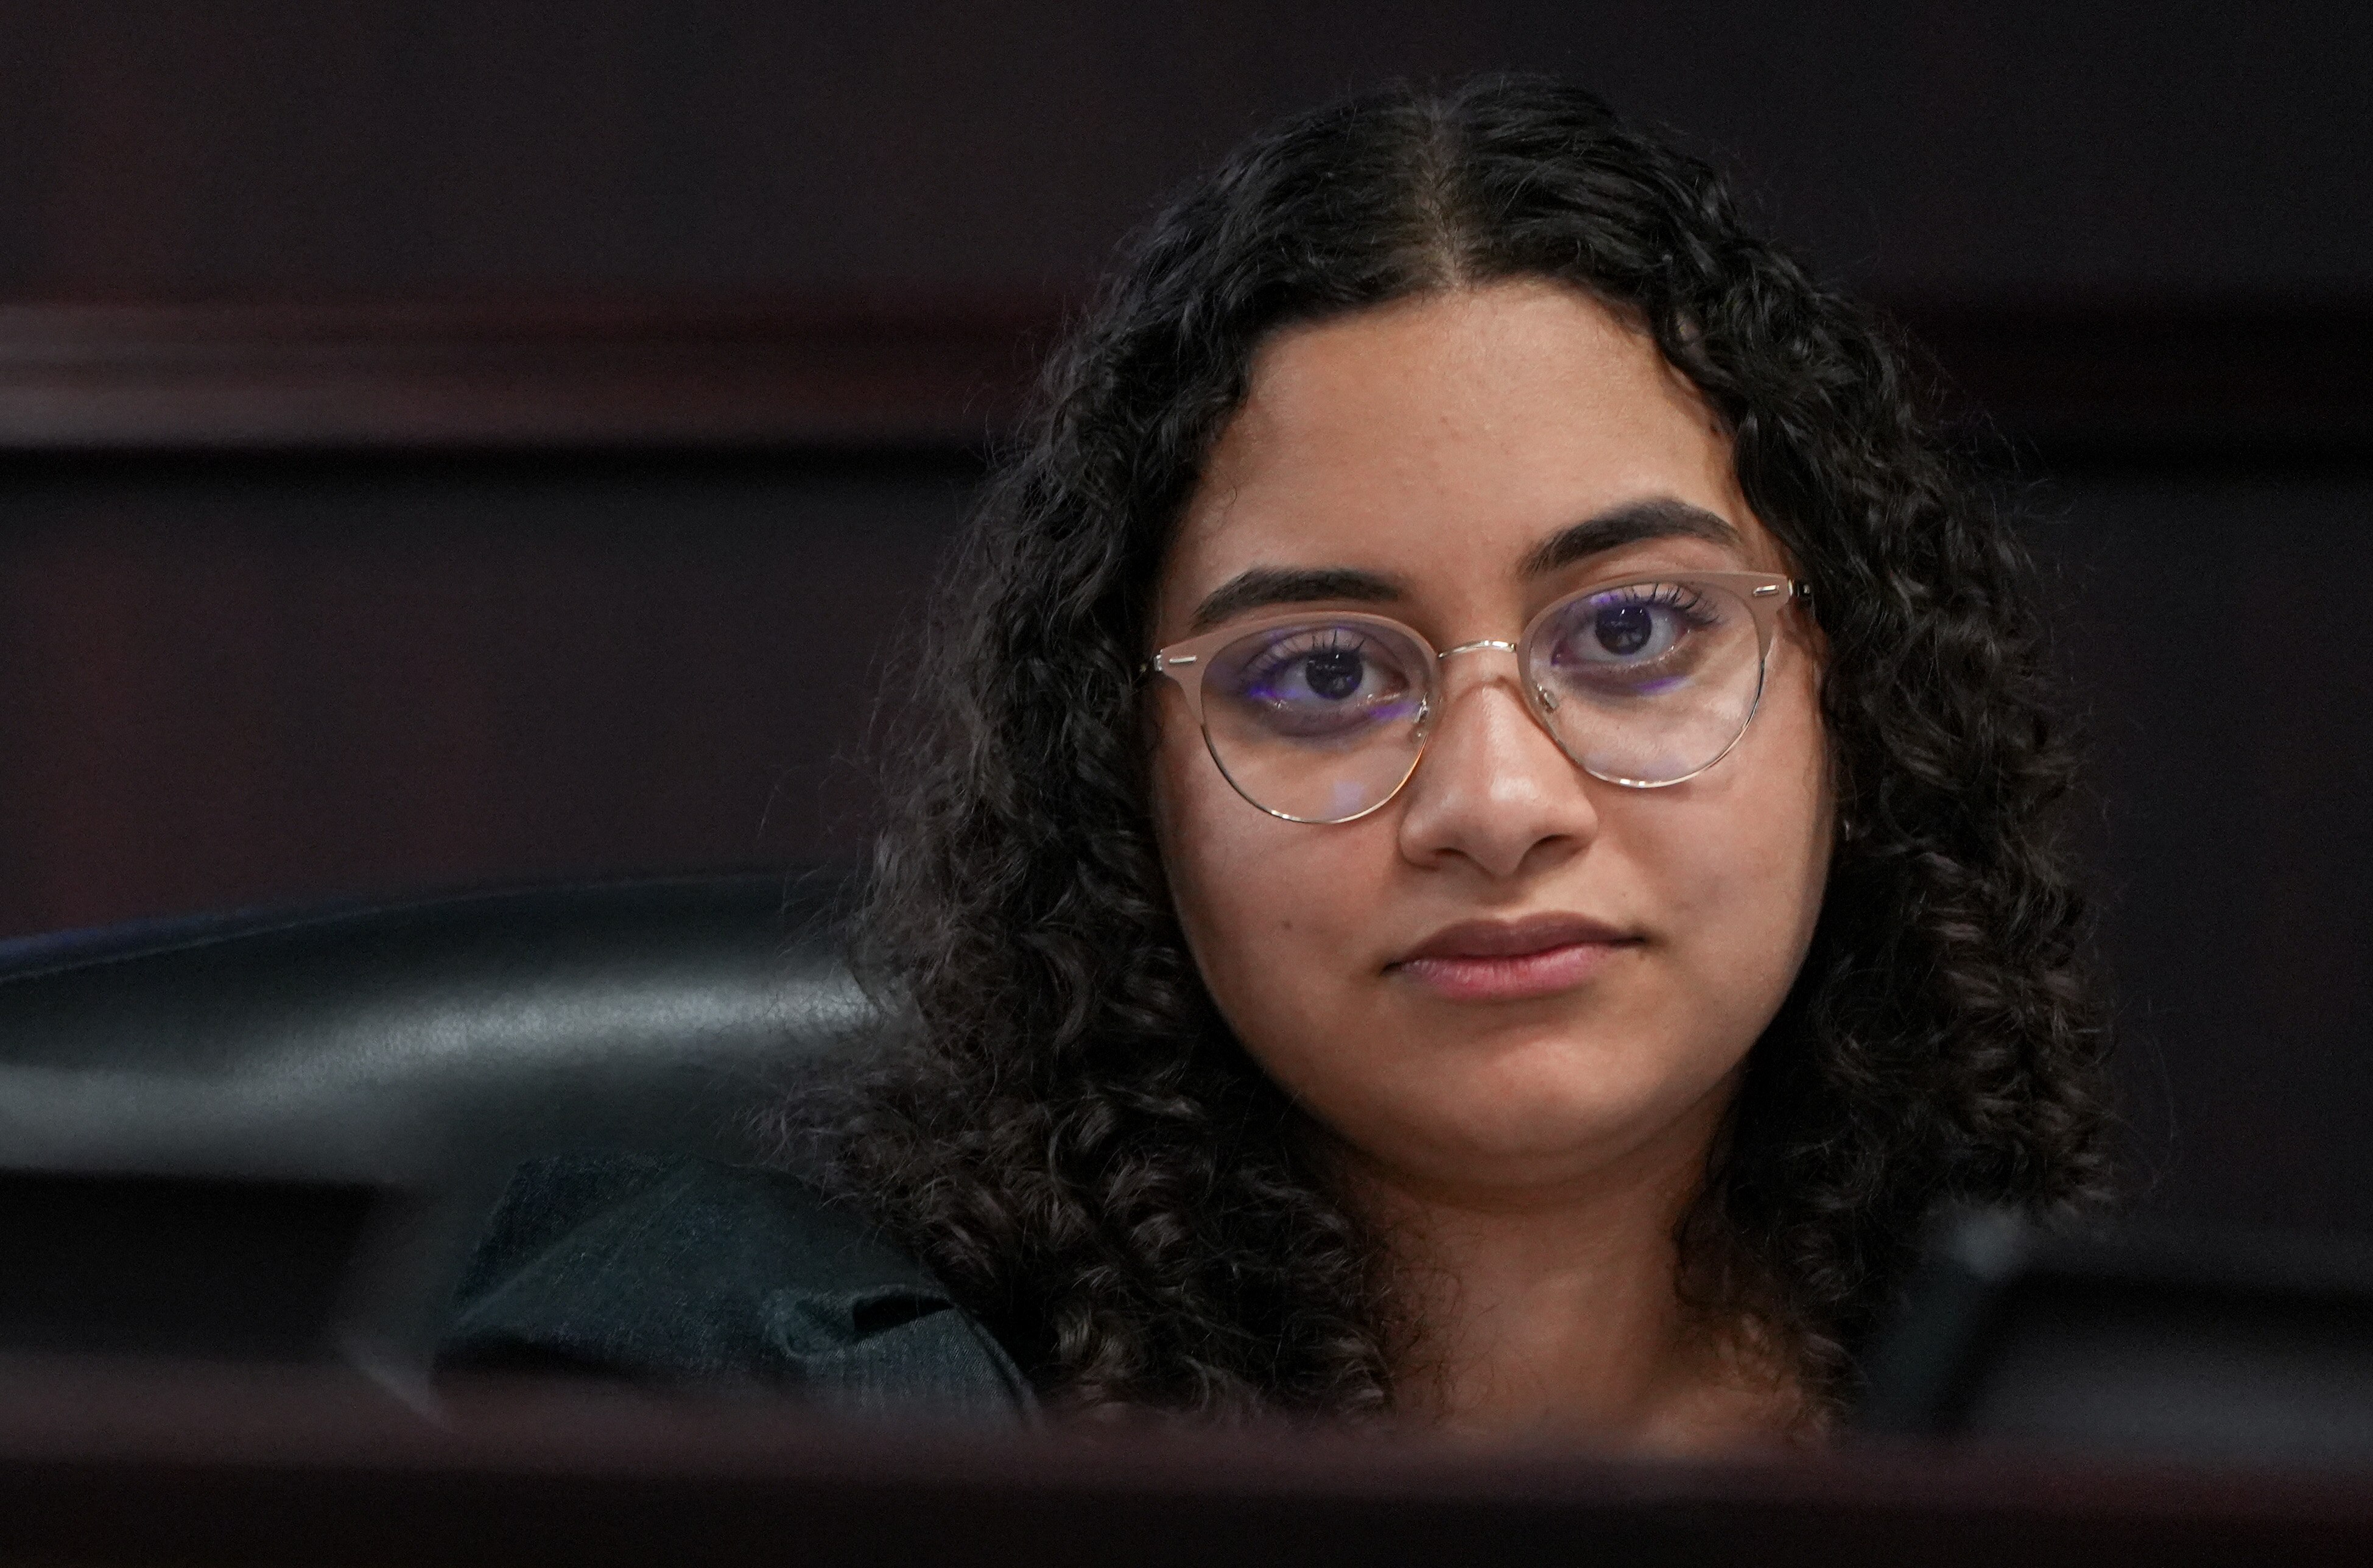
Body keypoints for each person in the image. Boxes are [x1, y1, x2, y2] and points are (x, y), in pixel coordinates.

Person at [439, 75, 2112, 1447]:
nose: (1495, 805)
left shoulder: (2111, 1470)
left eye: (1628, 634)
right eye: (1320, 671)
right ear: (1124, 777)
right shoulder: (773, 1413)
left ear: (1856, 691)